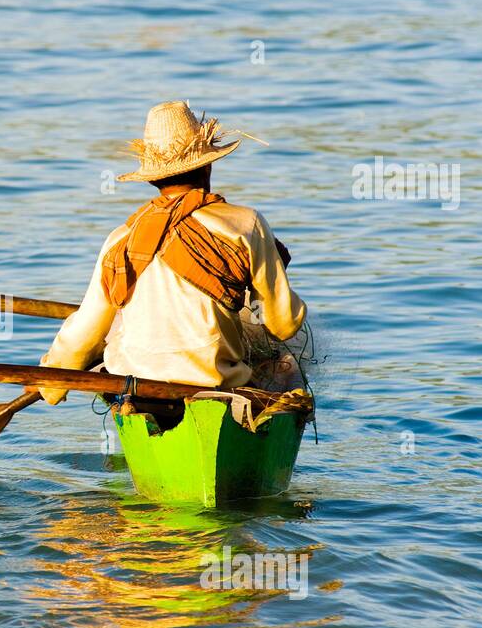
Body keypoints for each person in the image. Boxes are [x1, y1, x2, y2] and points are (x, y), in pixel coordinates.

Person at [38, 100, 306, 404]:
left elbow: (83, 334)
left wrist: (50, 385)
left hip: (137, 388)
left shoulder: (120, 238)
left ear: (152, 177)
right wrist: (273, 275)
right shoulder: (246, 223)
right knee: (287, 365)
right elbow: (282, 324)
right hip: (217, 389)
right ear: (207, 164)